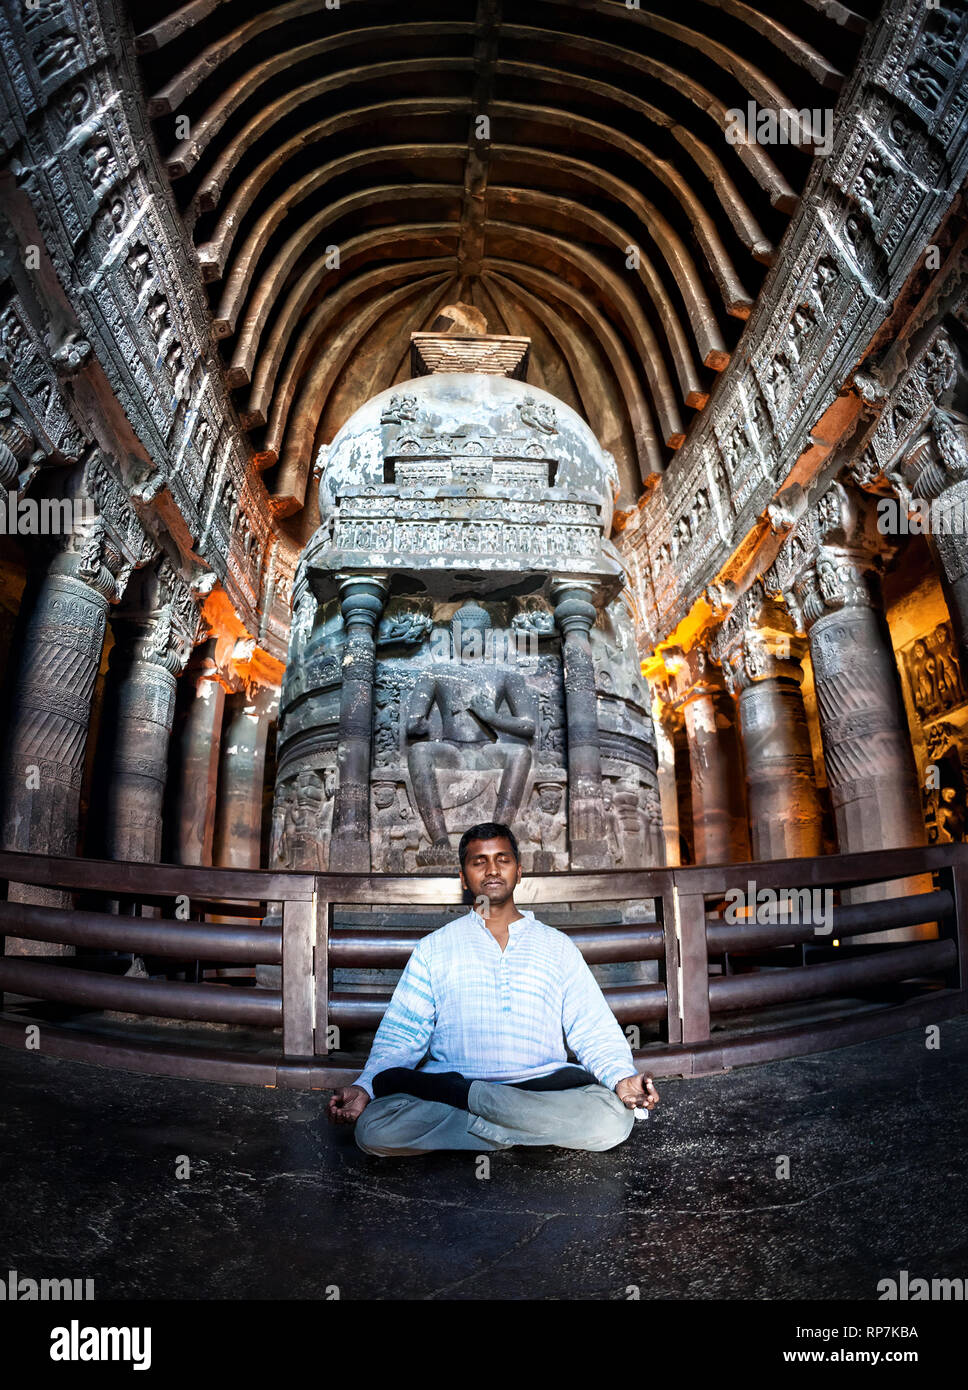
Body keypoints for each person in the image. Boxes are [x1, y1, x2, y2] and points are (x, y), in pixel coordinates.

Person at [327, 821, 659, 1155]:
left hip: (534, 1088)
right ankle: (523, 1130)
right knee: (374, 1129)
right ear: (463, 877)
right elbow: (401, 1035)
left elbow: (592, 1028)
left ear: (519, 871)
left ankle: (482, 1119)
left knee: (614, 1119)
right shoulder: (434, 948)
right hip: (456, 1082)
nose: (492, 869)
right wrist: (365, 1086)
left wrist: (620, 1078)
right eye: (478, 861)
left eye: (502, 859)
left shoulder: (557, 946)